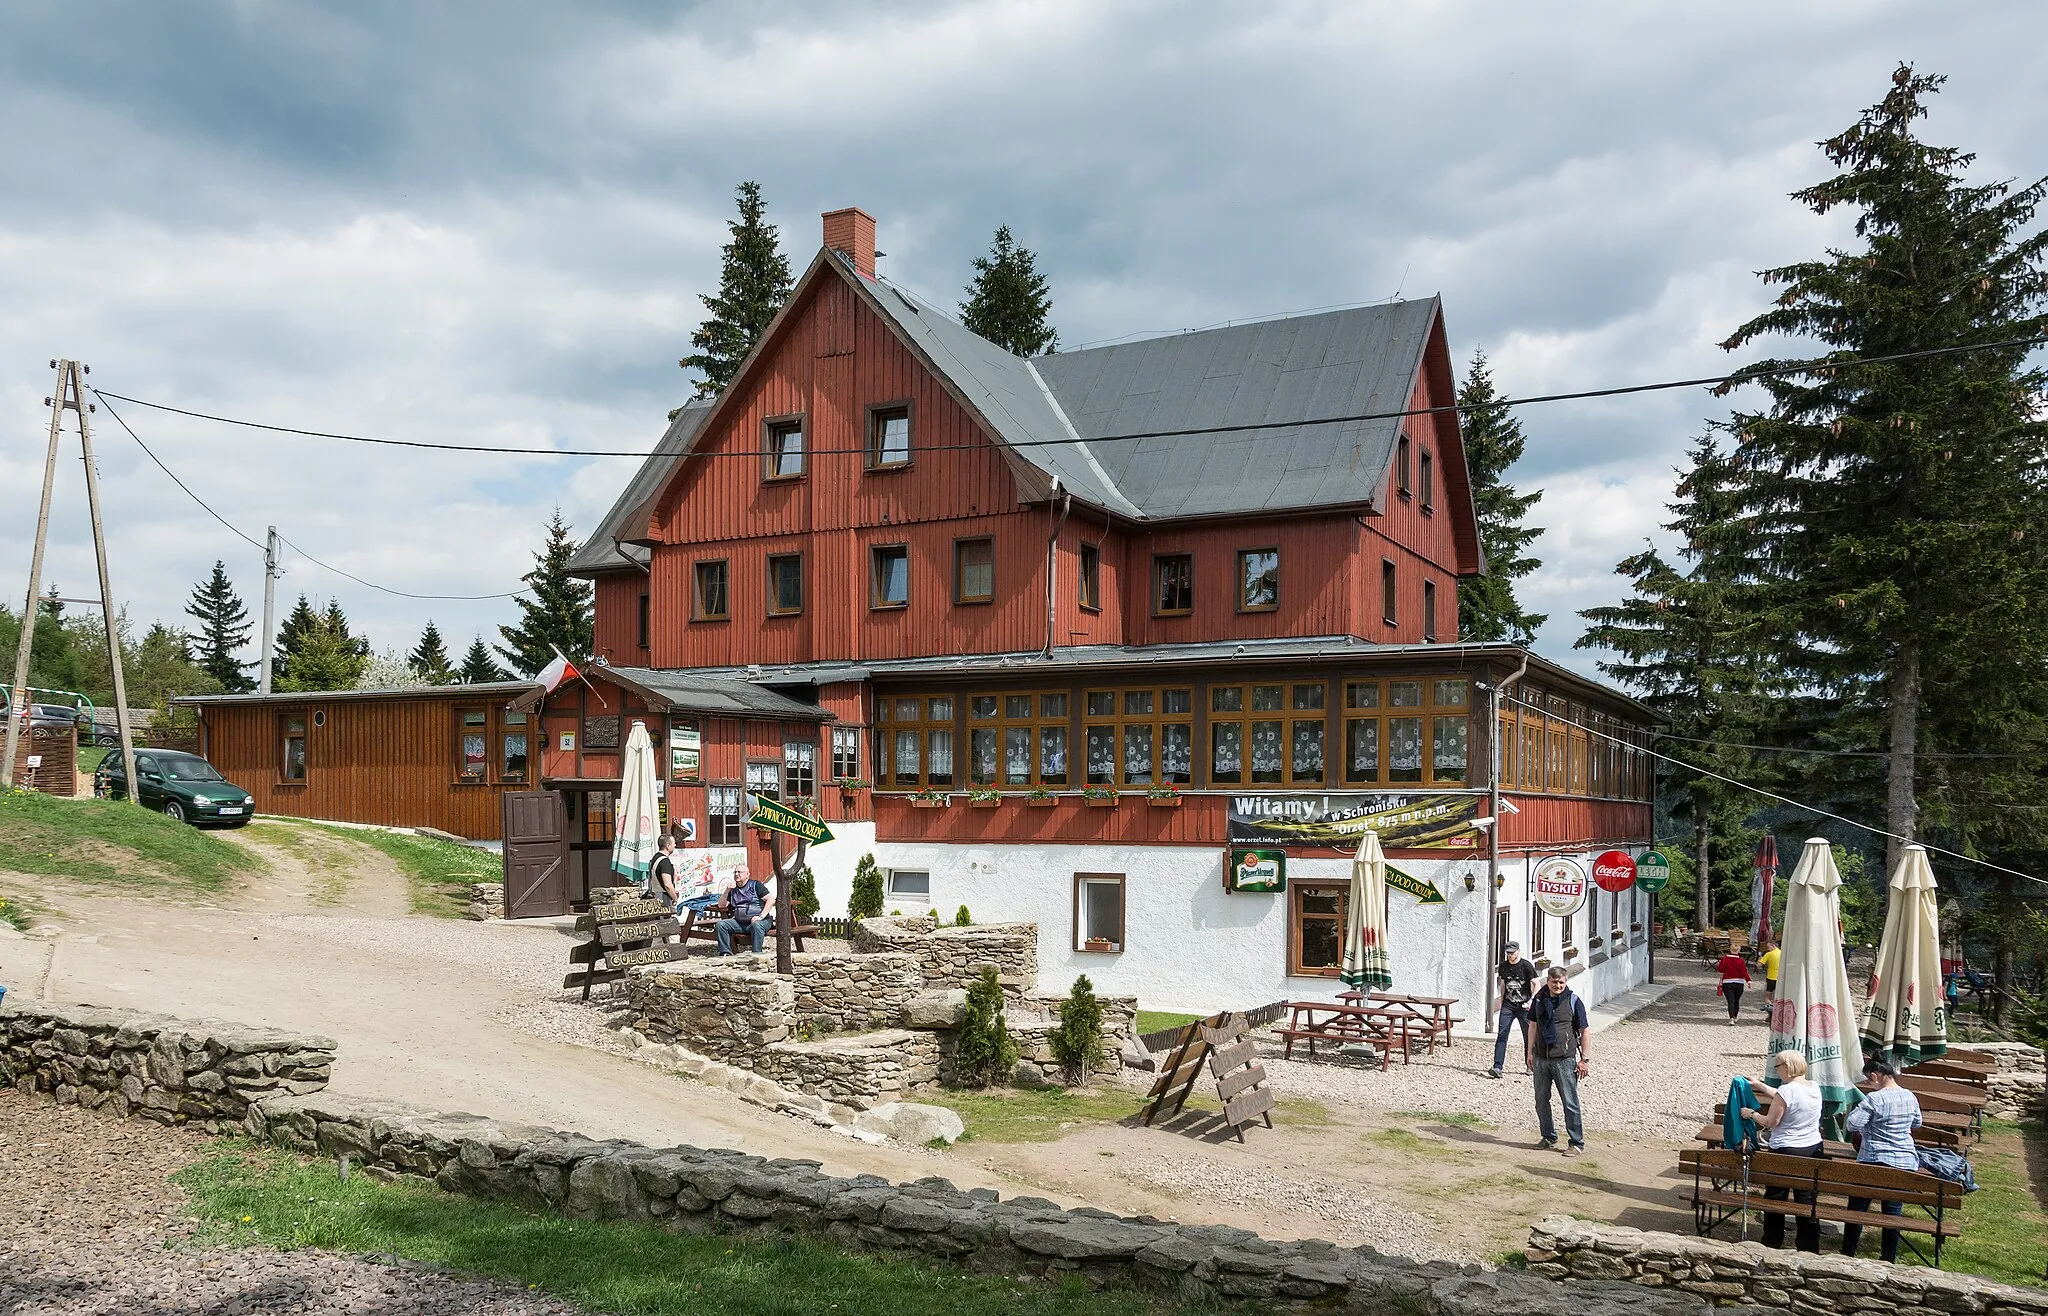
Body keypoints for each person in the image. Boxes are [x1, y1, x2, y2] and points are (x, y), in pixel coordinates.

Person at [1841, 1057, 1924, 1262]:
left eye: (1869, 1080)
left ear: (1875, 1076)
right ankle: (1888, 1257)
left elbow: (1852, 1125)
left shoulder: (1874, 1099)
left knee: (1857, 1209)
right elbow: (1917, 1123)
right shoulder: (1910, 1096)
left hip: (1874, 1158)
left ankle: (1848, 1252)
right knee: (1892, 1212)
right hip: (1904, 1161)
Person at [1741, 1050, 1824, 1252]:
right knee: (1805, 1199)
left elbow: (1771, 1122)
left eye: (1777, 1067)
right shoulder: (1814, 1087)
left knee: (1776, 1197)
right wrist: (1759, 1085)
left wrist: (1751, 1114)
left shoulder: (1787, 1091)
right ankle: (1808, 1246)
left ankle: (1772, 1240)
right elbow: (1783, 1096)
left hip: (1786, 1149)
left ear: (1786, 1067)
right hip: (1812, 1147)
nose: (1777, 1071)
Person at [1526, 964, 1590, 1155]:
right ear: (1548, 981)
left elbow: (1584, 1030)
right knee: (1541, 1100)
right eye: (1555, 982)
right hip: (1541, 1058)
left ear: (1566, 982)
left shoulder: (1573, 1001)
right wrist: (1529, 1052)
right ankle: (1548, 1136)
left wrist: (1584, 1059)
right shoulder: (1538, 1000)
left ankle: (1576, 1143)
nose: (1558, 986)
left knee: (1570, 1102)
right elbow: (1533, 1026)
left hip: (1565, 1060)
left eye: (1561, 982)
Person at [1488, 941, 1538, 1079]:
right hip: (1508, 1006)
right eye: (1508, 953)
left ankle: (1530, 1065)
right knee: (1502, 1034)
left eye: (1513, 953)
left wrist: (1531, 1000)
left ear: (1518, 951)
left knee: (1528, 1036)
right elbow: (1503, 984)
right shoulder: (1503, 966)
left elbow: (1536, 983)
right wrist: (1502, 999)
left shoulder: (1526, 965)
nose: (1510, 956)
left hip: (1524, 1006)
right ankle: (1497, 1066)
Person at [716, 871, 775, 955]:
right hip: (740, 923)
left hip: (761, 921)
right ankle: (725, 954)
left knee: (757, 925)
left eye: (739, 872)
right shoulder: (733, 890)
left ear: (747, 874)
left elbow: (771, 900)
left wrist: (761, 917)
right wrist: (727, 890)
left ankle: (757, 955)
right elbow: (721, 905)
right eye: (735, 872)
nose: (736, 874)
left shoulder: (756, 885)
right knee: (721, 925)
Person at [1717, 947, 1753, 1025]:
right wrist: (1749, 980)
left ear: (1730, 950)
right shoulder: (1741, 960)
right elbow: (1744, 972)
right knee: (1736, 1001)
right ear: (1739, 950)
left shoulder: (1725, 959)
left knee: (1730, 1001)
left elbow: (1720, 969)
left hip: (1727, 982)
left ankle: (1731, 1018)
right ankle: (1735, 1016)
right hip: (1739, 983)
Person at [645, 833, 680, 912]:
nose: (675, 845)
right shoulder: (664, 862)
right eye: (674, 843)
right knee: (665, 923)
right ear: (668, 846)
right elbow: (667, 885)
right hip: (663, 899)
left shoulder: (655, 858)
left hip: (653, 897)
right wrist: (675, 898)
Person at [1759, 941, 1782, 1012]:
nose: (1768, 948)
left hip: (1771, 977)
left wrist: (1760, 958)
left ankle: (1770, 1011)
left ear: (1773, 946)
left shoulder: (1769, 954)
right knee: (1779, 997)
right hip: (1781, 978)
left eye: (1768, 947)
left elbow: (1759, 965)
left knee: (1767, 996)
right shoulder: (1783, 953)